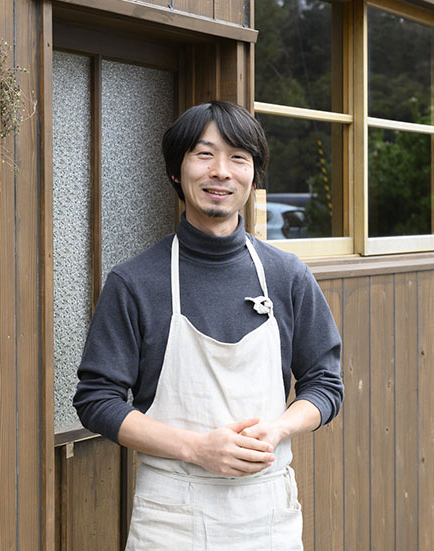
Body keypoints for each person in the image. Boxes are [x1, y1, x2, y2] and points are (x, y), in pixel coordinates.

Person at [73, 100, 343, 549]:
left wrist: (277, 430)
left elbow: (325, 384)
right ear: (177, 172)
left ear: (253, 176)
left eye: (238, 157)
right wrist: (196, 449)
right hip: (171, 515)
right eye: (204, 154)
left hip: (267, 515)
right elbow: (96, 400)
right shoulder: (135, 281)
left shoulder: (287, 275)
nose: (221, 171)